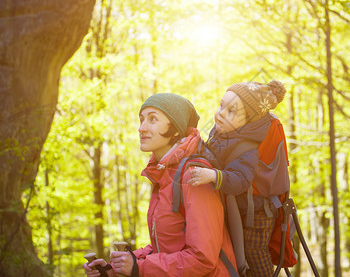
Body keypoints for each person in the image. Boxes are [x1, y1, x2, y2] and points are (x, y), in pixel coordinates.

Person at [83, 93, 237, 276]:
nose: (141, 128)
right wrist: (117, 267)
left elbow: (202, 259)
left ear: (175, 129)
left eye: (152, 119)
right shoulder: (164, 175)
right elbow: (166, 246)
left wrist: (138, 267)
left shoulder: (194, 175)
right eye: (141, 120)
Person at [189, 80, 288, 277]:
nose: (221, 113)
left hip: (258, 213)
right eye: (221, 105)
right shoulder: (222, 133)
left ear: (247, 121)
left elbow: (240, 180)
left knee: (254, 252)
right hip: (240, 209)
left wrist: (213, 176)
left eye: (232, 111)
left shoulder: (248, 148)